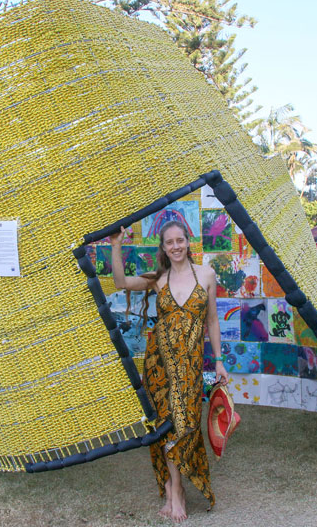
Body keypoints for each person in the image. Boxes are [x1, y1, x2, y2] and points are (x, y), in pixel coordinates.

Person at [110, 221, 228, 523]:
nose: (175, 246)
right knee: (164, 425)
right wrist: (115, 244)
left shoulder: (206, 275)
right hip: (159, 365)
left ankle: (175, 486)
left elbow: (212, 321)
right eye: (169, 243)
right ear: (163, 248)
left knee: (186, 423)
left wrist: (218, 360)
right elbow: (121, 283)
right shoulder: (158, 278)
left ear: (188, 242)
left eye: (180, 241)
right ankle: (174, 489)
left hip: (189, 365)